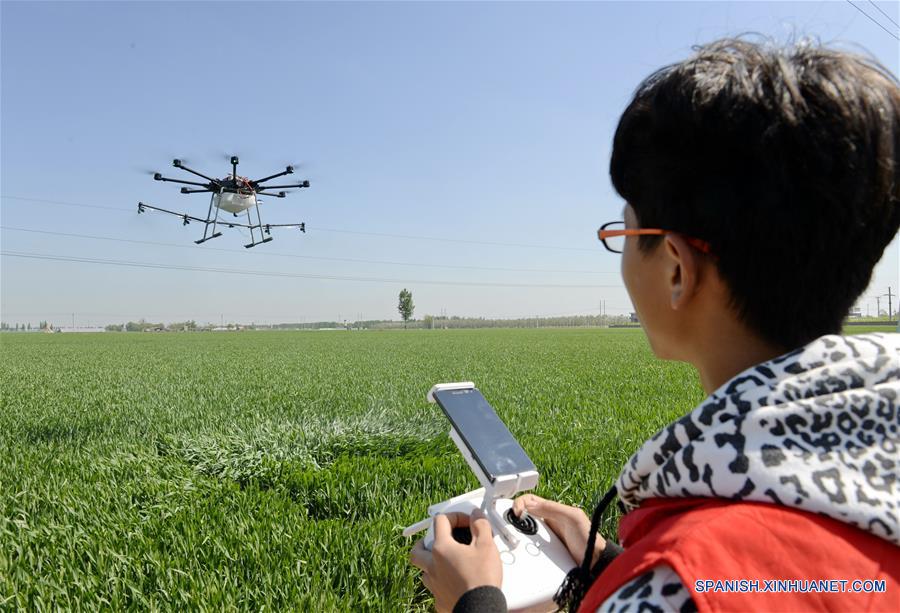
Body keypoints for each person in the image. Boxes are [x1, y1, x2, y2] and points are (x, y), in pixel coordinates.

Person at [409, 37, 900, 612]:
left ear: (675, 268)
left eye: (624, 233)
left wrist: (476, 600)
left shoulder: (679, 583)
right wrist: (609, 568)